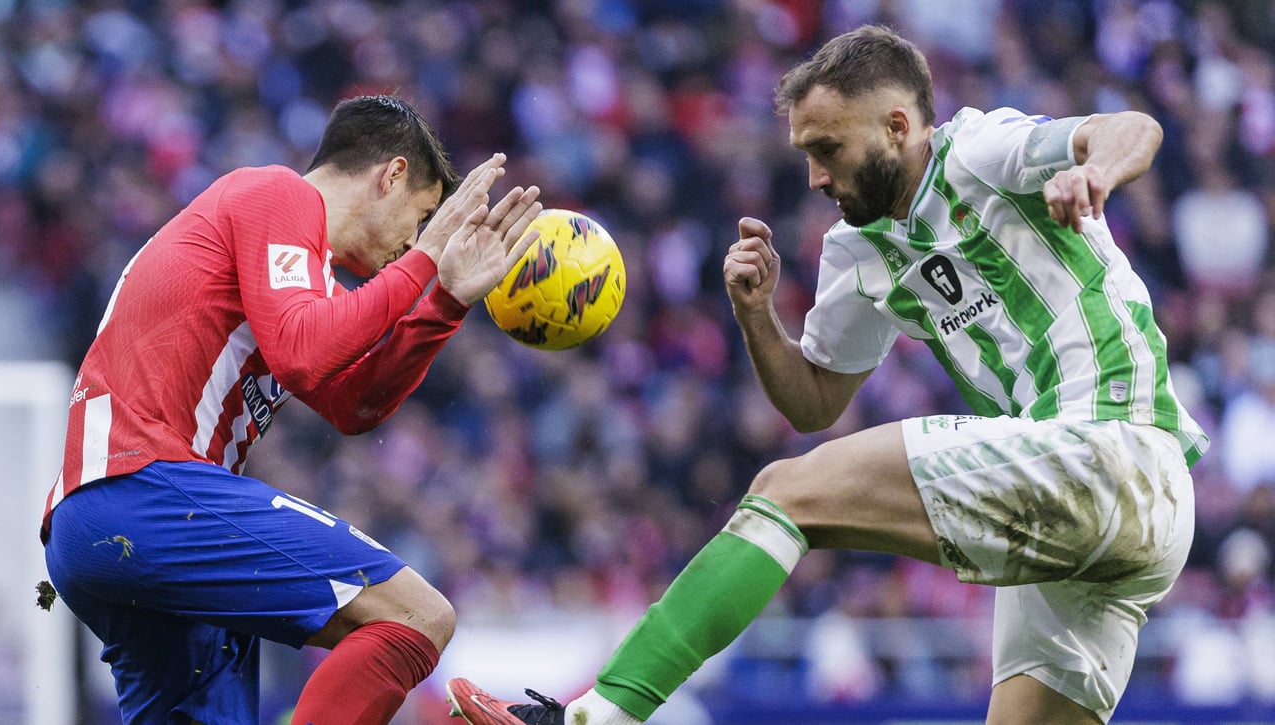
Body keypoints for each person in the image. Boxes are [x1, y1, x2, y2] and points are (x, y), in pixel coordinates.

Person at [445, 24, 1208, 725]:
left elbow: (1131, 129)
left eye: (828, 149)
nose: (813, 176)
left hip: (1119, 449)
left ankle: (590, 718)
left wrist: (1094, 173)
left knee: (784, 492)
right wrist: (756, 316)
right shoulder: (857, 251)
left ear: (898, 128)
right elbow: (813, 402)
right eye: (805, 153)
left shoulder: (979, 152)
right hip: (1097, 511)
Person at [40, 94, 544, 725]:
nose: (414, 240)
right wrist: (423, 262)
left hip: (113, 527)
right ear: (390, 175)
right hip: (144, 489)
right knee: (416, 615)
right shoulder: (277, 195)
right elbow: (306, 354)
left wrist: (442, 303)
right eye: (418, 218)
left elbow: (351, 404)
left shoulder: (299, 276)